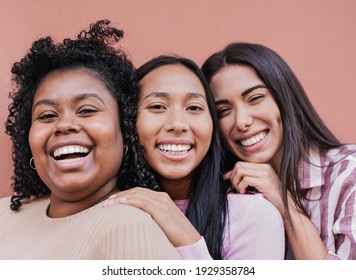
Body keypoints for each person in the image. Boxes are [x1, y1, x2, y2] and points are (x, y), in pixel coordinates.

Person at [0, 20, 180, 260]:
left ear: (125, 133)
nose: (64, 125)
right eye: (47, 115)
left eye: (86, 110)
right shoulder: (6, 213)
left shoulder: (129, 228)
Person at [105, 55, 285, 259]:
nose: (178, 123)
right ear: (129, 121)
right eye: (157, 107)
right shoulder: (110, 208)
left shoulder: (253, 215)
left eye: (194, 108)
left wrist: (185, 236)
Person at [201, 42, 356, 260]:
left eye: (255, 98)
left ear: (285, 97)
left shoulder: (348, 175)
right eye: (223, 111)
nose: (242, 121)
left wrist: (286, 205)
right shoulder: (227, 196)